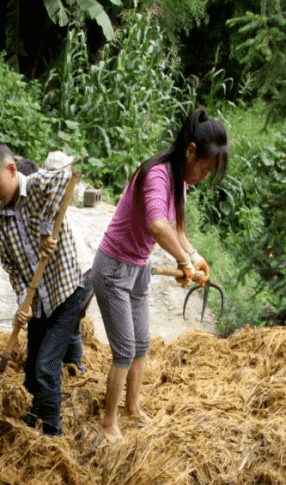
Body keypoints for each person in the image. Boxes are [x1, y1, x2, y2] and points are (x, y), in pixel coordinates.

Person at [92, 108, 228, 441]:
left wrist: (195, 256)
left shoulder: (179, 181)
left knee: (141, 346)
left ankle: (132, 409)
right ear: (191, 150)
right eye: (205, 169)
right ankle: (108, 423)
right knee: (123, 350)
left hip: (139, 269)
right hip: (112, 269)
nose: (204, 177)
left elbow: (177, 228)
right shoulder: (157, 174)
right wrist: (184, 262)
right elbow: (156, 224)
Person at [0, 140, 92, 437]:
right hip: (38, 303)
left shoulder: (39, 186)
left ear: (12, 170)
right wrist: (21, 302)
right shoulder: (2, 224)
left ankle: (53, 434)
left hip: (66, 293)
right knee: (31, 372)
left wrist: (44, 228)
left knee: (46, 368)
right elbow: (12, 269)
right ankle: (34, 412)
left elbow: (68, 175)